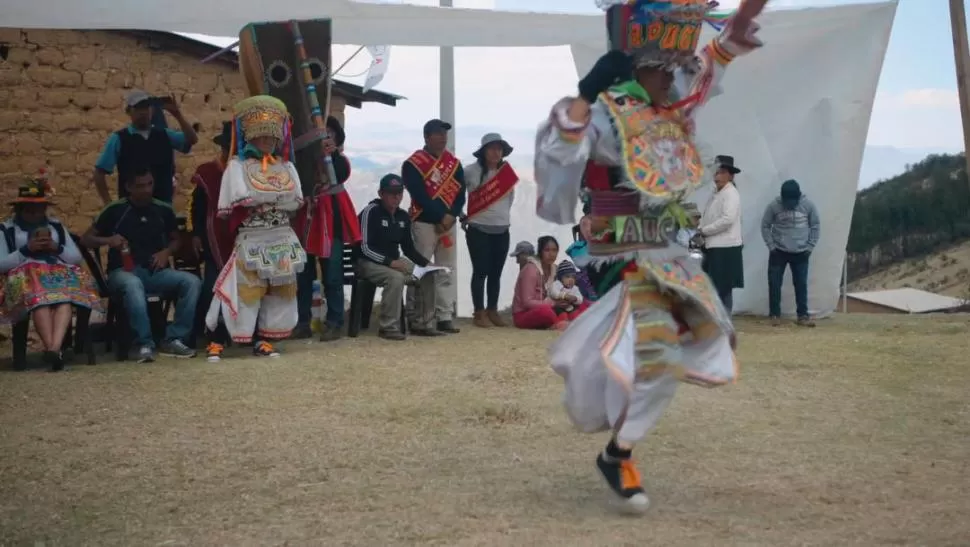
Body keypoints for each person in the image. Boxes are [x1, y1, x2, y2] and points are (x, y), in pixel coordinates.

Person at [533, 0, 768, 513]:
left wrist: (736, 30)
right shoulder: (606, 112)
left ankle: (619, 450)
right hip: (622, 252)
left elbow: (709, 69)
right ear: (643, 65)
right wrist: (587, 90)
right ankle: (618, 453)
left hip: (668, 254)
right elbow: (559, 150)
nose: (678, 79)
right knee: (656, 354)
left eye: (679, 70)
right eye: (668, 69)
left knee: (686, 347)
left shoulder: (673, 106)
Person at [204, 95, 306, 360]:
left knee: (279, 288)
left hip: (282, 235)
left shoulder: (286, 166)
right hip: (253, 235)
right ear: (249, 137)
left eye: (272, 138)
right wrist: (270, 201)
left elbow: (295, 200)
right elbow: (235, 204)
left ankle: (265, 338)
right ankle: (219, 337)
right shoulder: (237, 167)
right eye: (262, 137)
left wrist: (267, 201)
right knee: (242, 288)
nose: (267, 142)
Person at [81, 166, 201, 362]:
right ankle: (143, 344)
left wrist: (166, 252)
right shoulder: (115, 209)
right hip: (121, 272)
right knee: (132, 284)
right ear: (128, 187)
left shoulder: (163, 209)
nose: (146, 190)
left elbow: (176, 239)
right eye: (140, 186)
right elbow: (86, 239)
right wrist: (108, 240)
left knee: (191, 282)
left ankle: (174, 338)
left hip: (155, 272)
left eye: (149, 184)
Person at [0, 172, 101, 371]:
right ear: (19, 209)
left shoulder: (56, 227)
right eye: (28, 209)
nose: (33, 213)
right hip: (24, 283)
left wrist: (56, 248)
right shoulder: (6, 230)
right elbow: (1, 263)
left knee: (63, 299)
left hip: (56, 278)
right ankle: (54, 349)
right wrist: (26, 251)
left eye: (37, 208)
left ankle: (53, 350)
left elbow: (75, 257)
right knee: (40, 301)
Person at [291, 116, 361, 341]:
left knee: (332, 275)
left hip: (332, 221)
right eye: (321, 134)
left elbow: (339, 174)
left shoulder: (341, 161)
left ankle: (334, 322)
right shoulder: (305, 161)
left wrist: (331, 155)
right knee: (303, 275)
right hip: (307, 218)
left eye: (329, 134)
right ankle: (302, 322)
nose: (325, 138)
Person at [402, 119, 466, 335]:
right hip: (424, 223)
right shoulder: (413, 164)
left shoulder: (454, 164)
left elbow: (460, 194)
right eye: (438, 133)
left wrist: (452, 215)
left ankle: (444, 315)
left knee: (447, 269)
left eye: (444, 134)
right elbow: (418, 194)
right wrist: (441, 216)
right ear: (427, 137)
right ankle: (416, 315)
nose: (442, 138)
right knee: (422, 269)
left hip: (447, 223)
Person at [357, 174, 437, 341]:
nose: (396, 197)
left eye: (399, 193)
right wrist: (389, 262)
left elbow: (408, 248)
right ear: (381, 193)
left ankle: (422, 324)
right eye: (391, 193)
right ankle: (388, 327)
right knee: (395, 278)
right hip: (368, 262)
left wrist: (426, 263)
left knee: (427, 274)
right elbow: (364, 247)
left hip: (395, 261)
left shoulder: (402, 216)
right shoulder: (370, 212)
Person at [92, 90, 199, 205]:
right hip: (131, 210)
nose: (143, 112)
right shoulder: (119, 139)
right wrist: (109, 204)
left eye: (146, 107)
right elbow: (99, 173)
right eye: (138, 108)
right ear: (129, 111)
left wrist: (177, 115)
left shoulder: (165, 135)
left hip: (162, 209)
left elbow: (192, 139)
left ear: (152, 110)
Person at [187, 121, 236, 359]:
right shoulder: (207, 172)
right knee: (212, 285)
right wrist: (196, 234)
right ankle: (207, 330)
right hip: (213, 234)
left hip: (239, 233)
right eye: (229, 145)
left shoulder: (246, 171)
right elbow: (196, 207)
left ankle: (236, 330)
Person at [463, 132, 518, 328]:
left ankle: (492, 310)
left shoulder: (507, 174)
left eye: (499, 149)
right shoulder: (470, 171)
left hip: (502, 229)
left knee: (496, 272)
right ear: (484, 151)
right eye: (492, 148)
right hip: (478, 228)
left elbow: (510, 200)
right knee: (480, 271)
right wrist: (463, 215)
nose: (496, 152)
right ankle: (479, 311)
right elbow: (456, 194)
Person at [761, 178, 820, 327]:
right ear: (782, 198)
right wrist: (771, 246)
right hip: (778, 251)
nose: (790, 205)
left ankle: (802, 315)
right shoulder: (773, 206)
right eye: (787, 201)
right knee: (774, 284)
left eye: (793, 201)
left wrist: (810, 247)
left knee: (801, 284)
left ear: (799, 197)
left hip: (801, 253)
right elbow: (765, 225)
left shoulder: (808, 206)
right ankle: (774, 315)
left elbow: (815, 225)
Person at [699, 155, 744, 313]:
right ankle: (720, 319)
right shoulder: (717, 193)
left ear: (730, 175)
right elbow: (709, 216)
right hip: (714, 246)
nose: (717, 176)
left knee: (722, 288)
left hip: (725, 247)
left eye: (721, 172)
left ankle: (724, 320)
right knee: (716, 287)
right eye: (716, 172)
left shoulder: (731, 194)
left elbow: (727, 219)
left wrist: (704, 231)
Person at [511, 236, 566, 330]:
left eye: (554, 250)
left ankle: (561, 323)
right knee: (546, 312)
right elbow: (527, 303)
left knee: (571, 307)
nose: (551, 254)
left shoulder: (555, 269)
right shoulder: (530, 269)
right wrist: (553, 304)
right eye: (547, 250)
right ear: (540, 252)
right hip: (524, 313)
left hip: (548, 308)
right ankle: (558, 324)